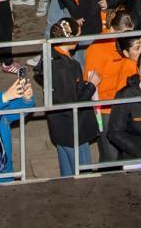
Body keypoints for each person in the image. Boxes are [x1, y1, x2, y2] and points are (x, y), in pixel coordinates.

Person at [42, 18, 102, 175]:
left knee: (67, 172)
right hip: (73, 129)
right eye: (78, 35)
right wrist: (91, 85)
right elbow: (72, 103)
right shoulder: (64, 67)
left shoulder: (50, 55)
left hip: (60, 127)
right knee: (82, 173)